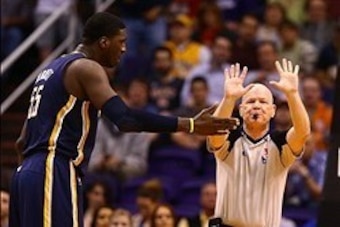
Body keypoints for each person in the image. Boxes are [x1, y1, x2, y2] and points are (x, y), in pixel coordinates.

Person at [9, 12, 238, 227]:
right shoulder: (86, 67)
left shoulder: (51, 69)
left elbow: (21, 141)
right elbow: (125, 118)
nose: (125, 48)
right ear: (104, 42)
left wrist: (30, 176)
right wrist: (190, 124)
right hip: (53, 165)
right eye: (121, 41)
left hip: (25, 173)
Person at [207, 59, 311, 227]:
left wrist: (292, 94)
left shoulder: (279, 144)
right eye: (250, 102)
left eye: (263, 102)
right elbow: (214, 130)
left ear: (272, 111)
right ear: (240, 110)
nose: (256, 106)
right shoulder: (231, 139)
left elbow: (303, 132)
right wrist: (229, 98)